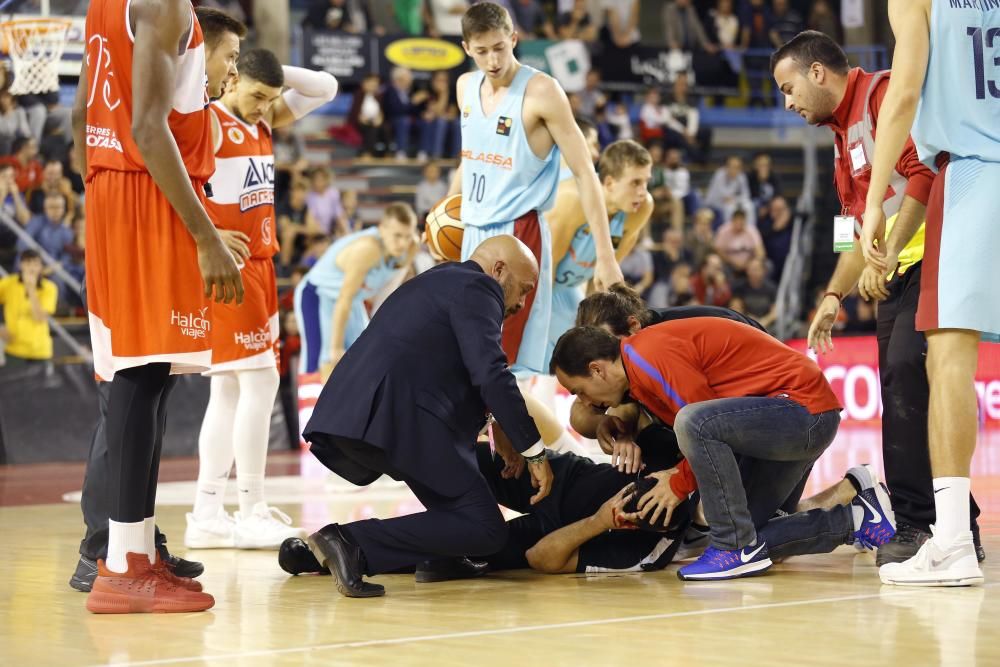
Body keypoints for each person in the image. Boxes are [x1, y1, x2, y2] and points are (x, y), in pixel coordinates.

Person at [771, 29, 984, 569]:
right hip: (894, 272)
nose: (788, 102)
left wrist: (881, 256)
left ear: (818, 72)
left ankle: (922, 525)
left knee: (907, 376)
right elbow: (852, 228)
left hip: (934, 255)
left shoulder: (884, 95)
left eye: (788, 87)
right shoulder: (843, 137)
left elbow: (924, 173)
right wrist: (833, 293)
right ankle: (952, 522)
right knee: (901, 392)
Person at [71, 2, 245, 613]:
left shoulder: (105, 4)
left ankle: (136, 553)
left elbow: (80, 112)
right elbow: (149, 126)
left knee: (149, 378)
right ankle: (121, 565)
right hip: (144, 188)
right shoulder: (165, 4)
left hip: (116, 185)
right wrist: (206, 237)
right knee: (141, 379)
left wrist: (97, 187)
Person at [301, 235, 554, 598]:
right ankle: (349, 542)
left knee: (460, 513)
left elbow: (453, 366)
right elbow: (490, 373)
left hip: (371, 409)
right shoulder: (481, 287)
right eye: (523, 290)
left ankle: (306, 556)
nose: (521, 302)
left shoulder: (440, 278)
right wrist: (534, 451)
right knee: (485, 527)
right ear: (499, 270)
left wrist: (498, 425)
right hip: (402, 416)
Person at [550, 320, 897, 581]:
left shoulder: (647, 354)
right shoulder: (638, 375)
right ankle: (857, 517)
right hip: (782, 421)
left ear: (597, 369)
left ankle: (733, 547)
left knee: (691, 423)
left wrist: (678, 483)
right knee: (751, 535)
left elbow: (700, 418)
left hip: (801, 412)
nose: (585, 401)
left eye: (579, 390)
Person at [857, 0, 997, 586]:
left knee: (947, 358)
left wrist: (871, 210)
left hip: (973, 170)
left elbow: (905, 93)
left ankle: (953, 542)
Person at [185, 49, 338, 551]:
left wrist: (267, 76)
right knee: (259, 380)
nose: (263, 107)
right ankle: (249, 507)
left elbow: (326, 87)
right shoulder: (209, 119)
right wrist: (206, 233)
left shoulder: (261, 116)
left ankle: (208, 511)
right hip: (233, 267)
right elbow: (177, 182)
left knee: (228, 389)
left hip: (261, 263)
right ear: (231, 81)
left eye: (270, 99)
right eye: (256, 95)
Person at [448, 1, 623, 378]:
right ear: (466, 48)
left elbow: (585, 172)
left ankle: (529, 438)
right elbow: (470, 158)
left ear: (514, 38)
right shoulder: (464, 87)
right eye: (482, 51)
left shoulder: (542, 91)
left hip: (517, 234)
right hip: (472, 233)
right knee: (466, 358)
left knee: (502, 367)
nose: (493, 60)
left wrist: (606, 256)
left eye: (500, 47)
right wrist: (446, 209)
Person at [545, 139, 653, 370]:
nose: (643, 192)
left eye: (646, 182)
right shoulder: (573, 201)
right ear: (610, 182)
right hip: (539, 283)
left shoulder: (641, 208)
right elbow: (546, 268)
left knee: (587, 345)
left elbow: (605, 277)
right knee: (544, 355)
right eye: (635, 182)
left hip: (570, 286)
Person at [294, 203, 417, 380]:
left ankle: (357, 406)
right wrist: (336, 347)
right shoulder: (367, 249)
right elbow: (344, 298)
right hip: (319, 295)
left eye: (408, 236)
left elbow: (388, 291)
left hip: (352, 299)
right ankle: (320, 406)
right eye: (397, 236)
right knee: (327, 360)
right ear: (382, 230)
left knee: (366, 355)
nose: (403, 243)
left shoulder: (411, 247)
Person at [0, 249, 56, 366]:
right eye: (28, 263)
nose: (31, 268)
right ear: (21, 265)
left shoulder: (49, 288)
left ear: (41, 267)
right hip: (14, 350)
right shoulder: (8, 283)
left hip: (39, 351)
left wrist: (31, 289)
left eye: (35, 264)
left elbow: (40, 317)